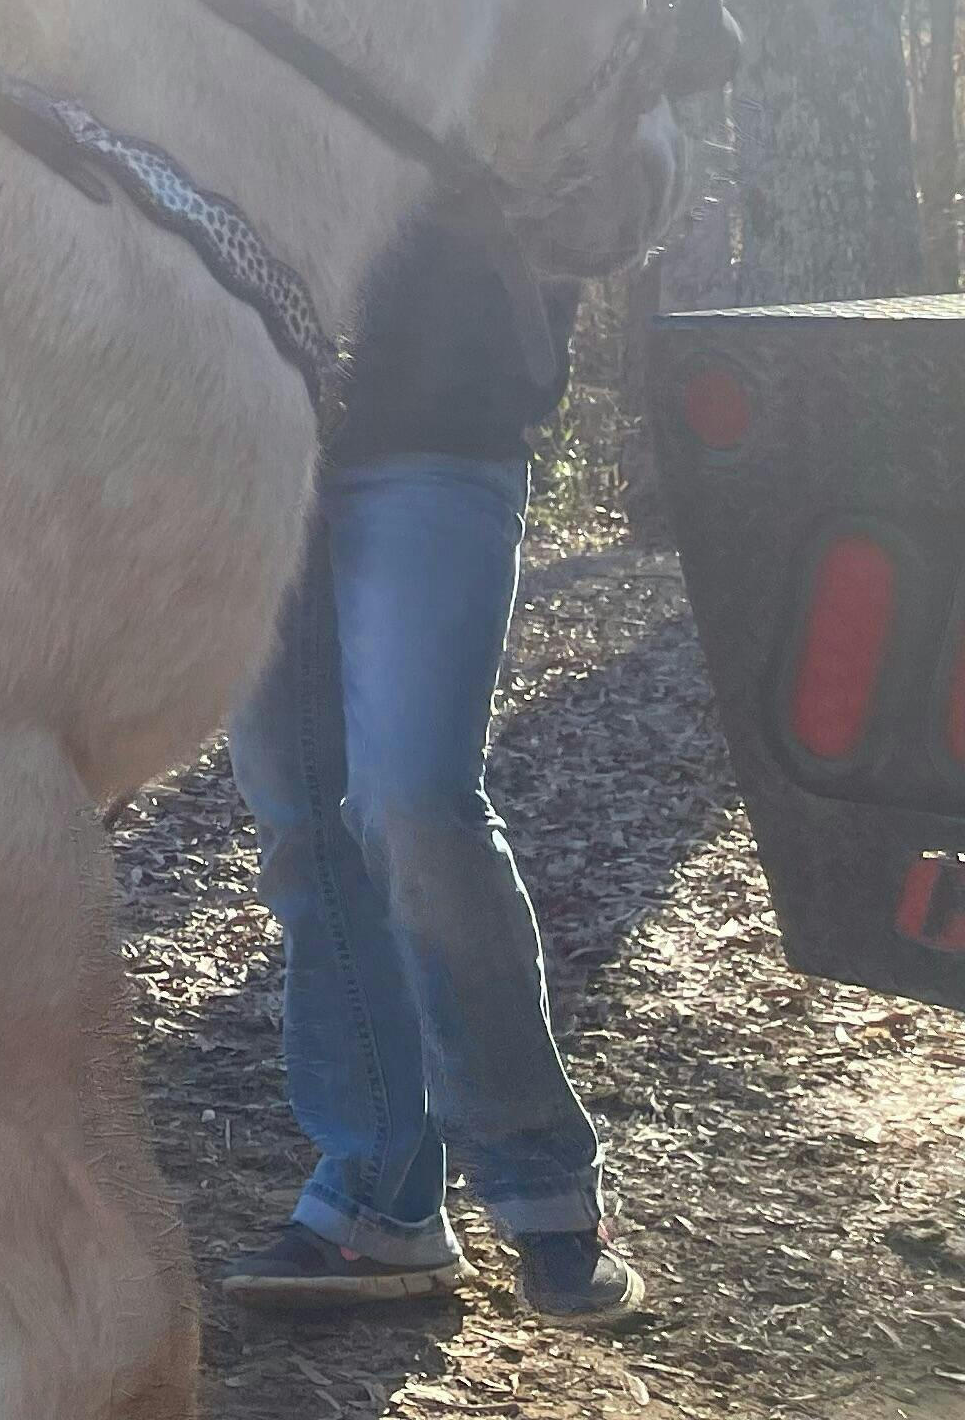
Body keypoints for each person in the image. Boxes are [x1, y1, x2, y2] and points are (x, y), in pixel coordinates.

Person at [220, 212, 646, 1322]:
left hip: (439, 424)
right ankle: (379, 1195)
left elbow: (607, 171)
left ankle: (545, 1187)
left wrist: (523, 314)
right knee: (301, 822)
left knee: (412, 801)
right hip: (244, 443)